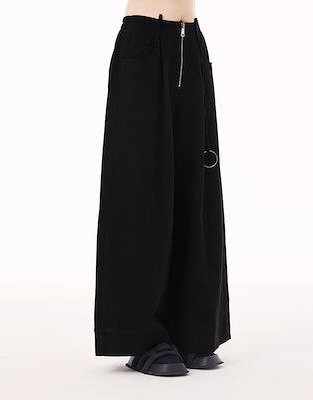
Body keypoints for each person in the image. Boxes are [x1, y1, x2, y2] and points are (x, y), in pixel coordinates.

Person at [94, 0, 231, 376]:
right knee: (141, 189)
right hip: (144, 42)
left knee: (197, 187)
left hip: (191, 41)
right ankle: (141, 337)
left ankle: (193, 329)